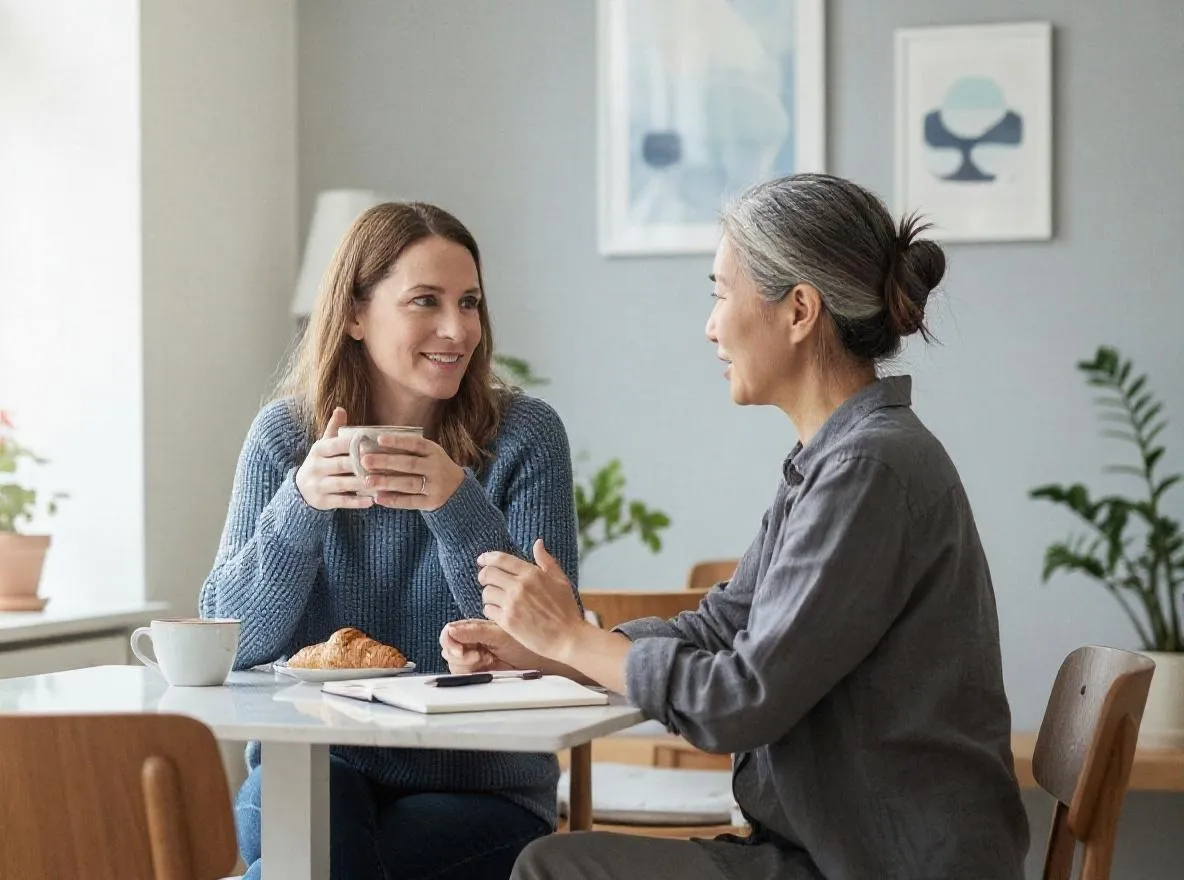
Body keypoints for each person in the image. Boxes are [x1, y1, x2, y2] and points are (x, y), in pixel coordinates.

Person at [441, 174, 1031, 880]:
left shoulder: (868, 470)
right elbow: (723, 626)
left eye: (721, 292)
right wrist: (551, 651)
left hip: (879, 865)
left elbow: (739, 701)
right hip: (833, 853)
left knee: (555, 869)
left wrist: (574, 637)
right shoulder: (836, 460)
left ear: (799, 310)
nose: (711, 324)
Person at [199, 201, 578, 880]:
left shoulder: (525, 436)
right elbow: (231, 640)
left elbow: (550, 639)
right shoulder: (285, 439)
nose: (456, 328)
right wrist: (300, 505)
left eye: (470, 303)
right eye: (425, 302)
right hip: (314, 763)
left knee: (313, 868)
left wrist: (457, 502)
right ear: (352, 314)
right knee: (319, 823)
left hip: (478, 787)